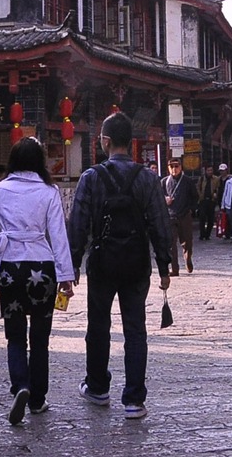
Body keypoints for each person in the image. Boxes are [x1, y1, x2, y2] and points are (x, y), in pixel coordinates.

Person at [67, 112, 173, 420]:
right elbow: (160, 223)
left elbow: (79, 223)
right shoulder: (148, 178)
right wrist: (164, 266)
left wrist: (73, 263)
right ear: (131, 142)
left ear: (106, 141)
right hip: (137, 262)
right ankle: (134, 400)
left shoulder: (91, 177)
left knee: (98, 325)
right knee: (135, 329)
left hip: (102, 261)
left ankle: (98, 387)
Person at [0, 137, 76, 425]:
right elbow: (58, 235)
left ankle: (21, 386)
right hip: (41, 265)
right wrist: (66, 276)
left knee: (15, 335)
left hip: (10, 269)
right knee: (39, 339)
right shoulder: (49, 191)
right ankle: (38, 399)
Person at [161, 157, 197, 273]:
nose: (174, 169)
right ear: (168, 168)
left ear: (181, 167)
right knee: (171, 243)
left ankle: (188, 259)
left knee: (187, 242)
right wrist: (165, 200)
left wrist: (191, 209)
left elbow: (195, 197)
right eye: (172, 167)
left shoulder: (188, 181)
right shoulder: (164, 182)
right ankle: (174, 268)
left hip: (185, 215)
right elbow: (158, 197)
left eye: (177, 166)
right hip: (170, 216)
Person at [197, 165, 218, 241]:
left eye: (211, 170)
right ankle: (202, 234)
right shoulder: (202, 179)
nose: (210, 172)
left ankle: (207, 234)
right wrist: (200, 196)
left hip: (211, 201)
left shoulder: (215, 179)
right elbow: (198, 187)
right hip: (203, 201)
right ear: (205, 171)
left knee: (211, 219)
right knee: (202, 217)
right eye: (208, 170)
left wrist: (215, 194)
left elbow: (217, 188)